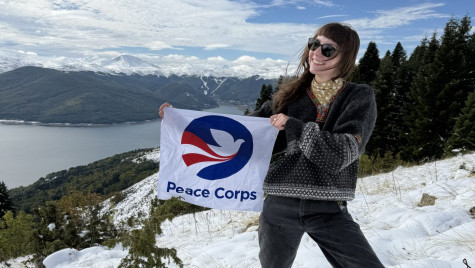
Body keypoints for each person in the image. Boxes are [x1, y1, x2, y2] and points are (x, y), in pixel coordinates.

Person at [252, 22, 384, 267]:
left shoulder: (358, 96)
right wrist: (187, 123)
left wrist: (295, 126)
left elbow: (341, 154)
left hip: (328, 207)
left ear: (345, 58)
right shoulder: (291, 96)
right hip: (279, 203)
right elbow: (246, 131)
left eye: (328, 50)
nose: (316, 52)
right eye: (314, 44)